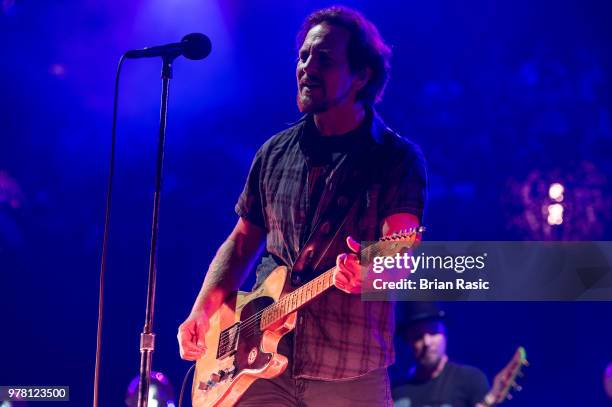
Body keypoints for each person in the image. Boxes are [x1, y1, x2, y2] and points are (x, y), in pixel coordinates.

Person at [177, 6, 427, 406]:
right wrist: (202, 310)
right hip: (257, 367)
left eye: (324, 59)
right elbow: (242, 243)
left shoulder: (396, 160)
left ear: (361, 75)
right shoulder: (273, 153)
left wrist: (367, 274)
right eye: (304, 56)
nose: (306, 67)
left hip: (349, 370)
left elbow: (400, 251)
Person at [392, 302, 490, 407]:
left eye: (433, 331)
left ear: (445, 333)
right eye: (418, 335)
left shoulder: (470, 380)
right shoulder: (395, 392)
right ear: (408, 341)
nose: (427, 342)